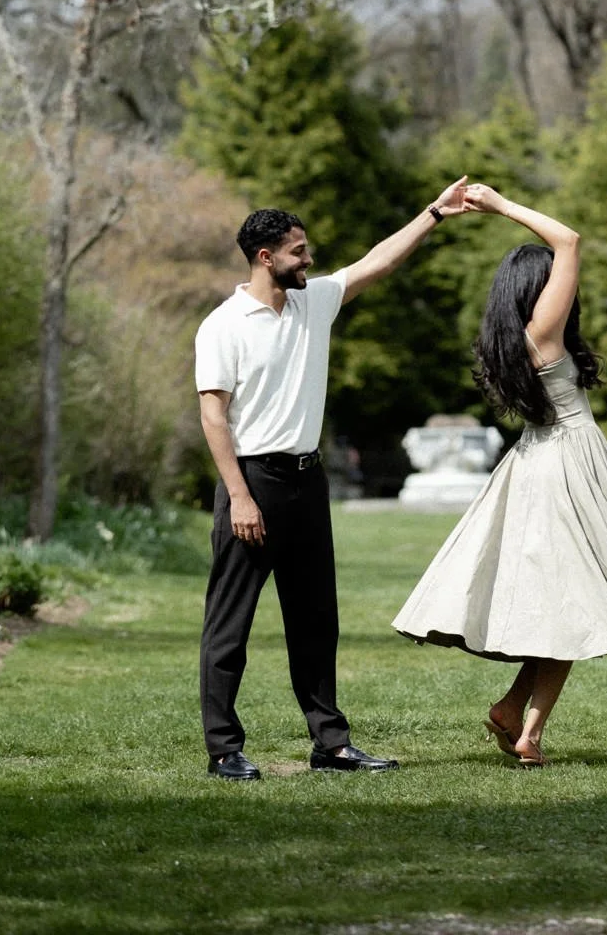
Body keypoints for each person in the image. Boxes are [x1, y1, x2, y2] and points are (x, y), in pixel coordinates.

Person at [393, 182, 607, 766]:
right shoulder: (545, 332)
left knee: (566, 605)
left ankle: (516, 717)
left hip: (542, 460)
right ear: (539, 289)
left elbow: (563, 415)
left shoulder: (511, 343)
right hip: (567, 474)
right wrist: (502, 208)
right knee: (575, 605)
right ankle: (523, 726)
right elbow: (570, 238)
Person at [195, 181, 471, 780]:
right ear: (266, 258)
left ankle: (331, 744)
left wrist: (433, 214)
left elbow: (378, 261)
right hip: (252, 484)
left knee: (317, 621)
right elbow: (213, 415)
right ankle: (224, 749)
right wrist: (239, 496)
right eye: (298, 251)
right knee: (230, 624)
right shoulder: (224, 325)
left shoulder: (313, 302)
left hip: (306, 484)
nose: (309, 259)